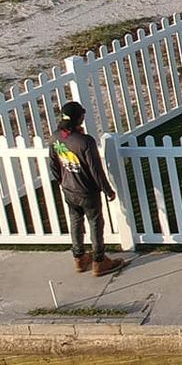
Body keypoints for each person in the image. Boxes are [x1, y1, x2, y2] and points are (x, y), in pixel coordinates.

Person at [45, 100, 124, 275]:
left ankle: (79, 258)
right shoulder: (85, 141)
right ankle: (99, 260)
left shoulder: (55, 137)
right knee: (95, 223)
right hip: (87, 191)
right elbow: (96, 170)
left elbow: (53, 164)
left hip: (68, 189)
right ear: (78, 119)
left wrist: (62, 181)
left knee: (75, 221)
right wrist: (107, 189)